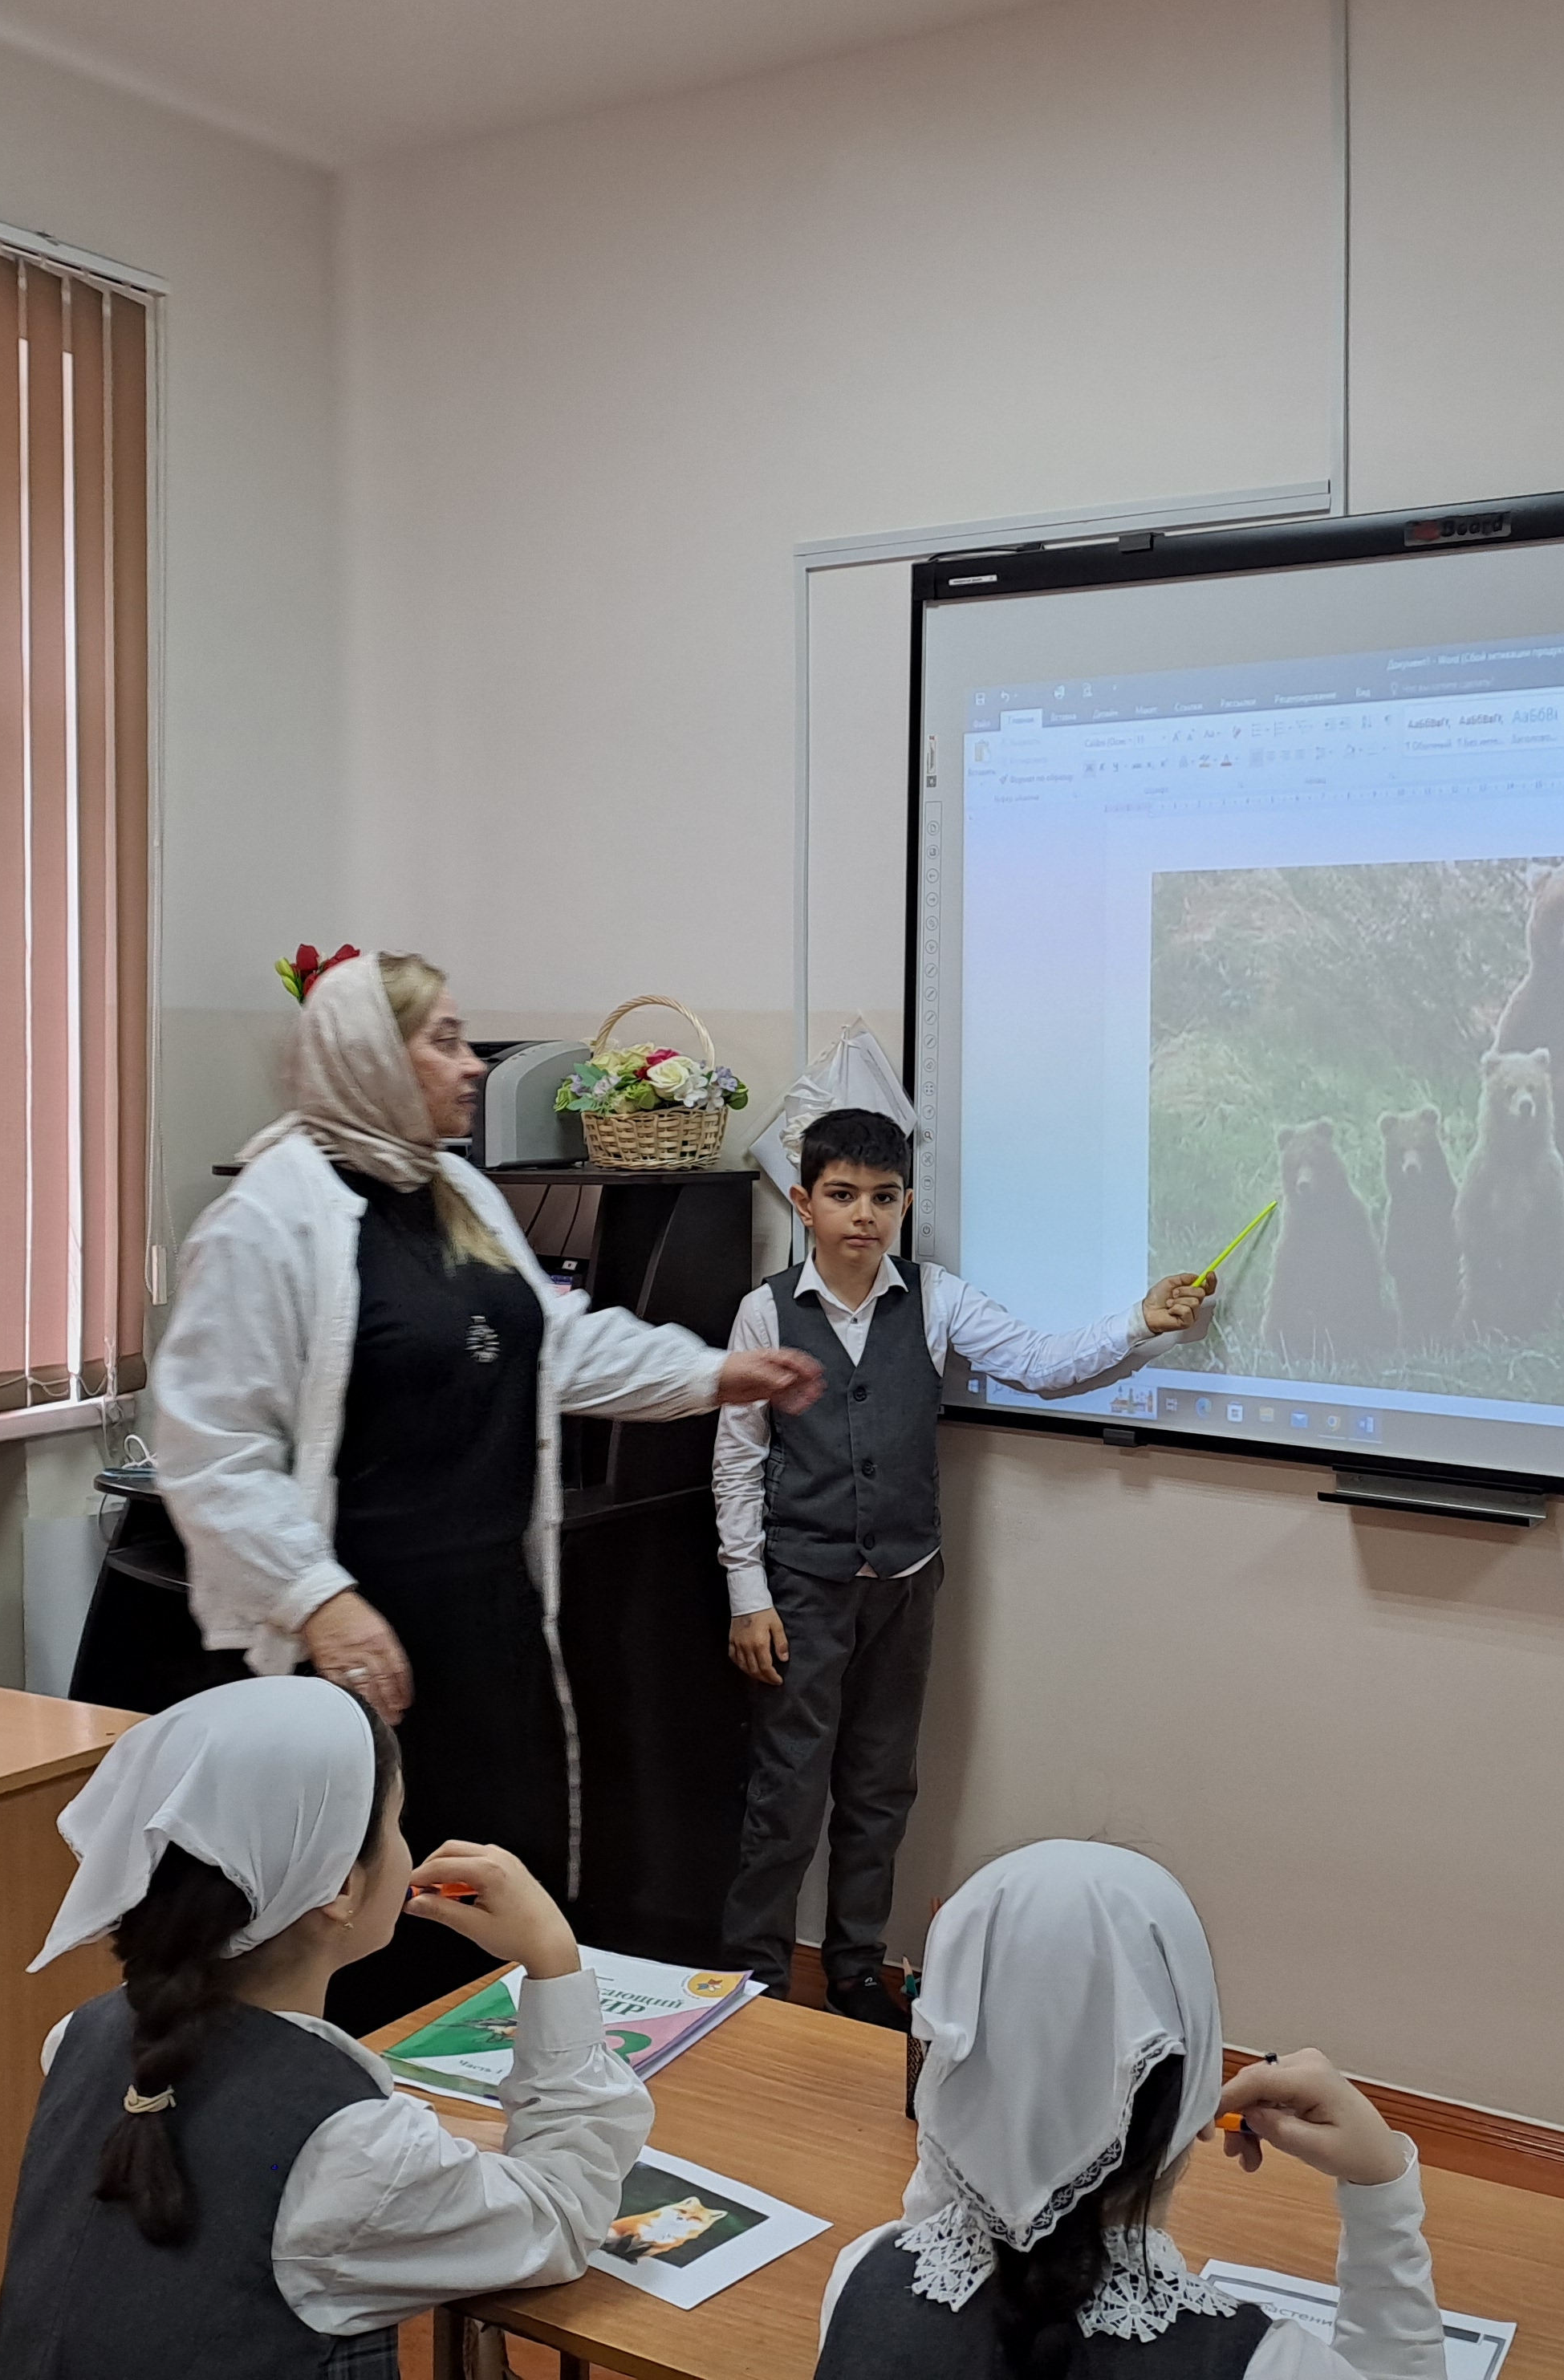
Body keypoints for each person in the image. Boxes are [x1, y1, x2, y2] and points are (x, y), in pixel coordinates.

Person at [152, 950, 822, 2033]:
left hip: (491, 1623)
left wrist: (711, 1375)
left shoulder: (457, 1193)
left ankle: (489, 2107)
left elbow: (555, 1346)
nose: (473, 1067)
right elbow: (209, 1448)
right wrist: (319, 1600)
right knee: (366, 1917)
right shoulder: (269, 1216)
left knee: (492, 1890)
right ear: (370, 1056)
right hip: (359, 1647)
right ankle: (364, 2108)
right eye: (446, 1041)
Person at [0, 1679, 649, 2380]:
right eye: (397, 1824)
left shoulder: (80, 2035)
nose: (408, 1849)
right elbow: (563, 2214)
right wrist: (553, 1958)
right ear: (339, 1887)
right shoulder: (351, 2152)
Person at [713, 1108, 1208, 2022]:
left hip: (906, 1585)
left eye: (883, 1197)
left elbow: (1041, 1363)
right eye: (842, 1195)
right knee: (786, 1791)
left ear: (904, 1205)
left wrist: (1140, 1321)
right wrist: (749, 1595)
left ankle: (855, 1969)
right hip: (800, 1588)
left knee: (880, 1785)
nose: (864, 1214)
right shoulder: (764, 1310)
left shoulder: (935, 1298)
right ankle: (757, 1984)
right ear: (804, 1203)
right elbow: (737, 1462)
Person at [813, 1839, 1443, 2380]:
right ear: (1196, 2099)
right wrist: (1381, 2188)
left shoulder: (861, 2279)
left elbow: (932, 2223)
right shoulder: (1263, 2364)